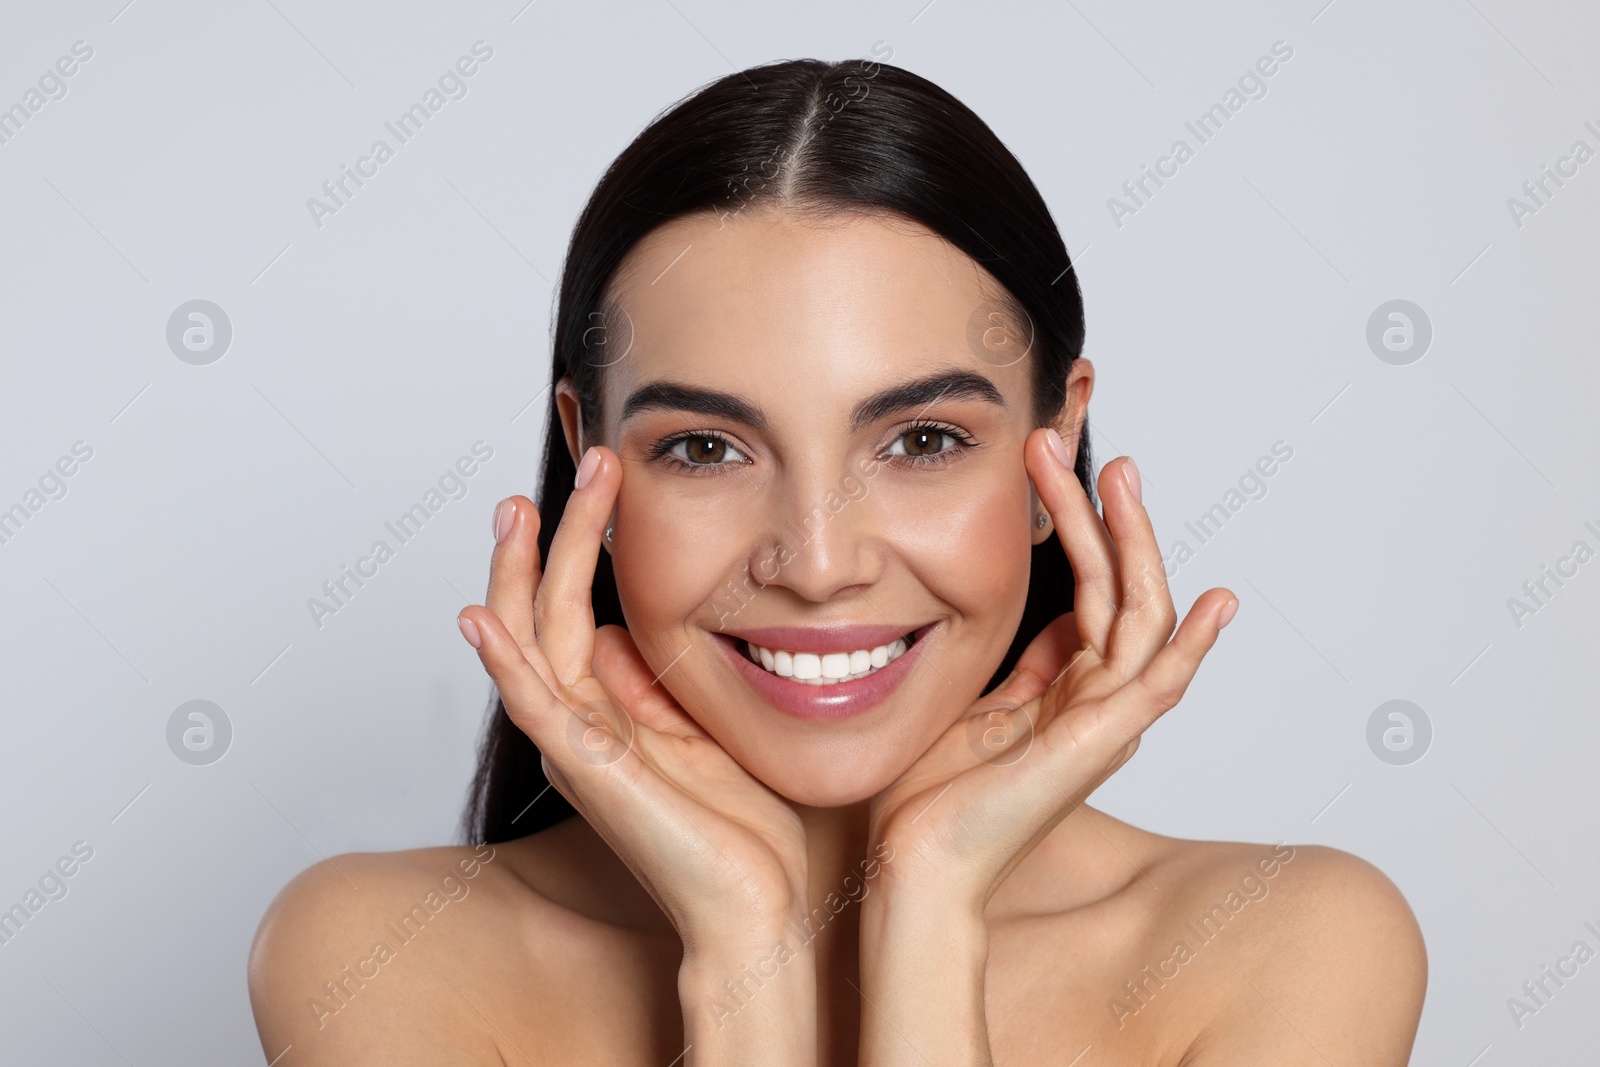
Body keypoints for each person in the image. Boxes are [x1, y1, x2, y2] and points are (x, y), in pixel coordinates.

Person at [249, 56, 1426, 1065]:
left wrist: (929, 903)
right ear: (588, 462)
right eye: (706, 446)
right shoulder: (377, 955)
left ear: (1049, 450)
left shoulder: (1287, 946)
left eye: (921, 440)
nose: (815, 563)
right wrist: (744, 951)